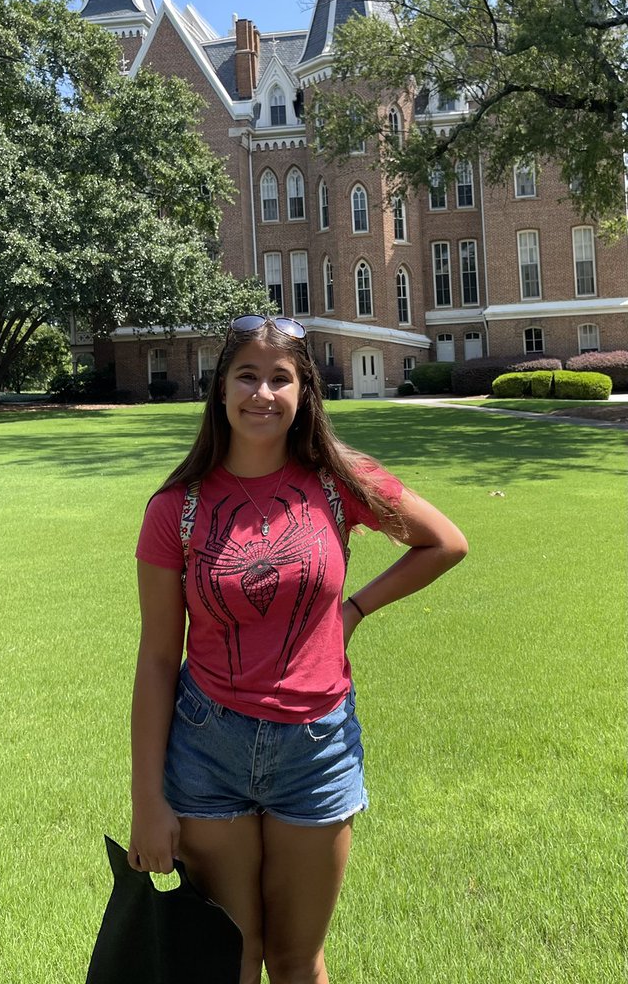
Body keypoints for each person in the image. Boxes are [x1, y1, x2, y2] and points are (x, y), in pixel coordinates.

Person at [129, 315, 468, 984]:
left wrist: (355, 610)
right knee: (230, 958)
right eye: (246, 376)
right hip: (208, 749)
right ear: (220, 391)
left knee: (295, 960)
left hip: (317, 749)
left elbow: (445, 542)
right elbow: (159, 658)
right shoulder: (177, 508)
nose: (262, 393)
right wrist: (148, 802)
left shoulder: (341, 482)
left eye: (280, 379)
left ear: (304, 392)